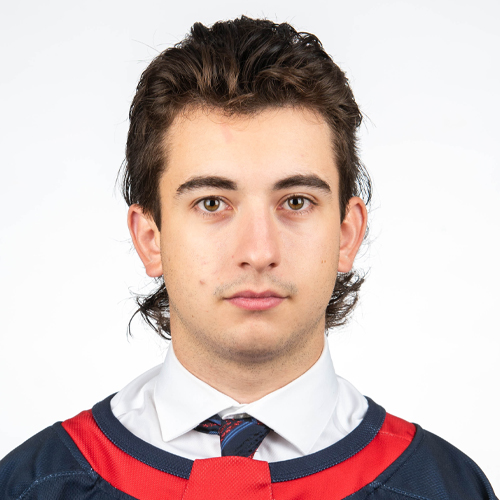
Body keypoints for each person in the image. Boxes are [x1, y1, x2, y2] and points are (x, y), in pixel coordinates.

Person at [0, 15, 496, 500]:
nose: (259, 253)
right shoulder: (36, 485)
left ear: (347, 234)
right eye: (211, 203)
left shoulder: (443, 488)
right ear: (151, 238)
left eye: (296, 202)